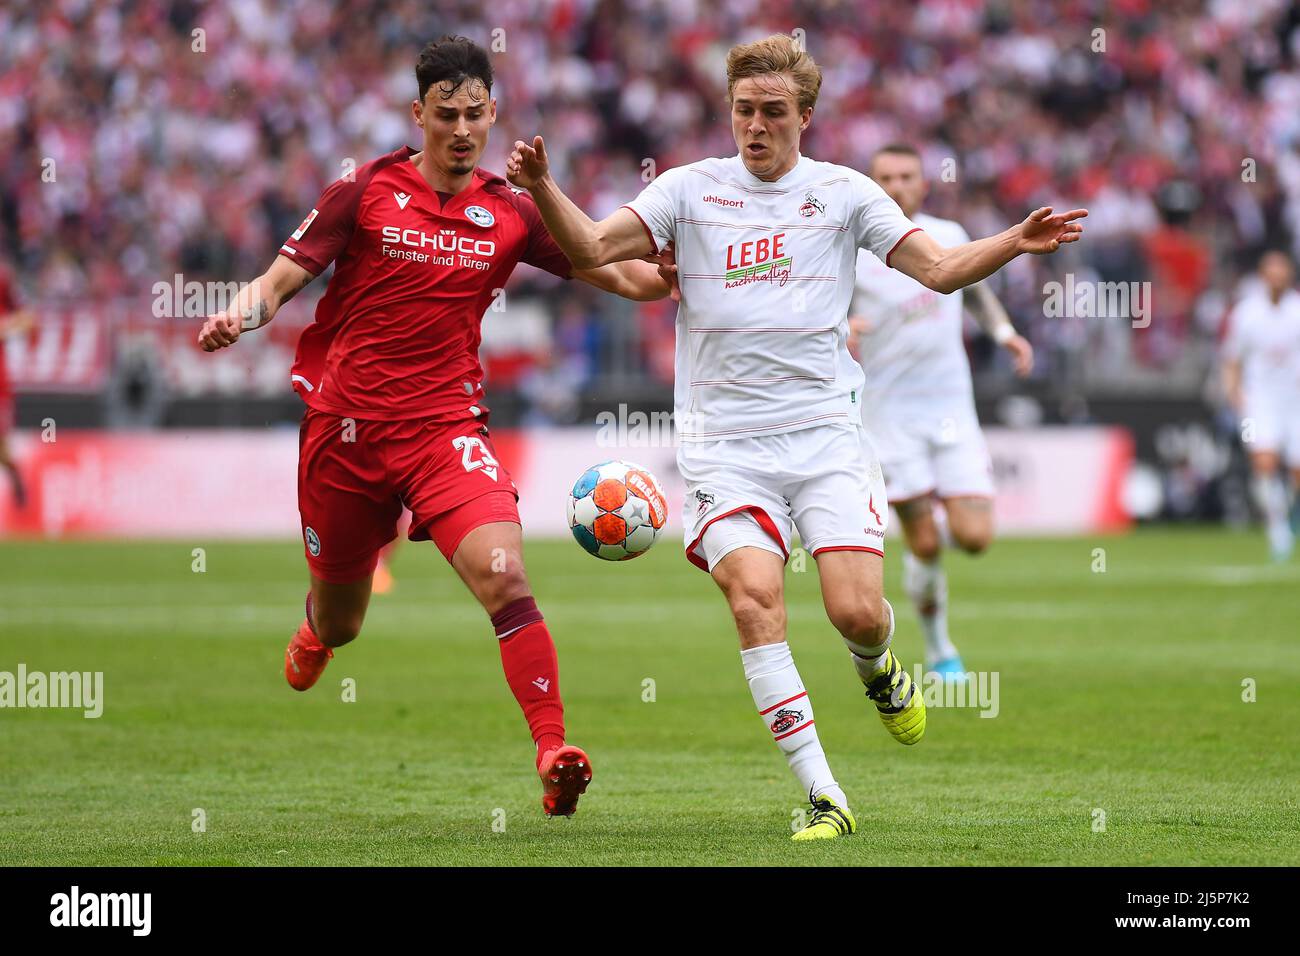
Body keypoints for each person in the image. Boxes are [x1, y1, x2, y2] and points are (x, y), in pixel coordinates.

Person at [507, 33, 1085, 839]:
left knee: (856, 613)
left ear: (805, 116)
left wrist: (1012, 245)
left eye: (773, 111)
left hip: (825, 439)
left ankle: (879, 668)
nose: (755, 125)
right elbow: (596, 247)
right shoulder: (687, 190)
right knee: (756, 602)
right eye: (744, 110)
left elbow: (941, 270)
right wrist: (541, 187)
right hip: (724, 448)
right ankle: (826, 796)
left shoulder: (846, 195)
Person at [198, 35, 672, 817]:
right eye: (445, 113)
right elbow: (282, 279)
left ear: (493, 116)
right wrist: (236, 316)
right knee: (346, 620)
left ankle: (552, 751)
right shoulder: (364, 191)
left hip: (445, 428)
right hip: (344, 433)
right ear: (418, 113)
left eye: (475, 114)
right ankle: (317, 630)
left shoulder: (512, 210)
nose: (461, 128)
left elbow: (616, 272)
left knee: (503, 575)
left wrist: (681, 278)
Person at [848, 143, 1034, 679]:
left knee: (975, 538)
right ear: (872, 182)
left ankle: (936, 520)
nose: (898, 185)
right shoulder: (853, 249)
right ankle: (940, 650)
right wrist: (843, 326)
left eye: (907, 175)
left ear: (923, 182)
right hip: (888, 419)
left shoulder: (947, 237)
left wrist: (1004, 333)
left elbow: (971, 289)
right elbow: (819, 310)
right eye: (886, 176)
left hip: (952, 410)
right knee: (925, 544)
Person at [1221, 250, 1300, 561]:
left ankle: (1287, 517)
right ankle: (1277, 528)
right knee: (1264, 462)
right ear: (1263, 276)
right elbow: (1232, 359)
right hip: (1260, 400)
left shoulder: (1297, 310)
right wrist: (1235, 393)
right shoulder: (1246, 313)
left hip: (1294, 400)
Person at [0, 266, 33, 509]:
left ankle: (15, 477)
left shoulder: (3, 278)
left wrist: (4, 328)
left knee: (2, 446)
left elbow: (29, 318)